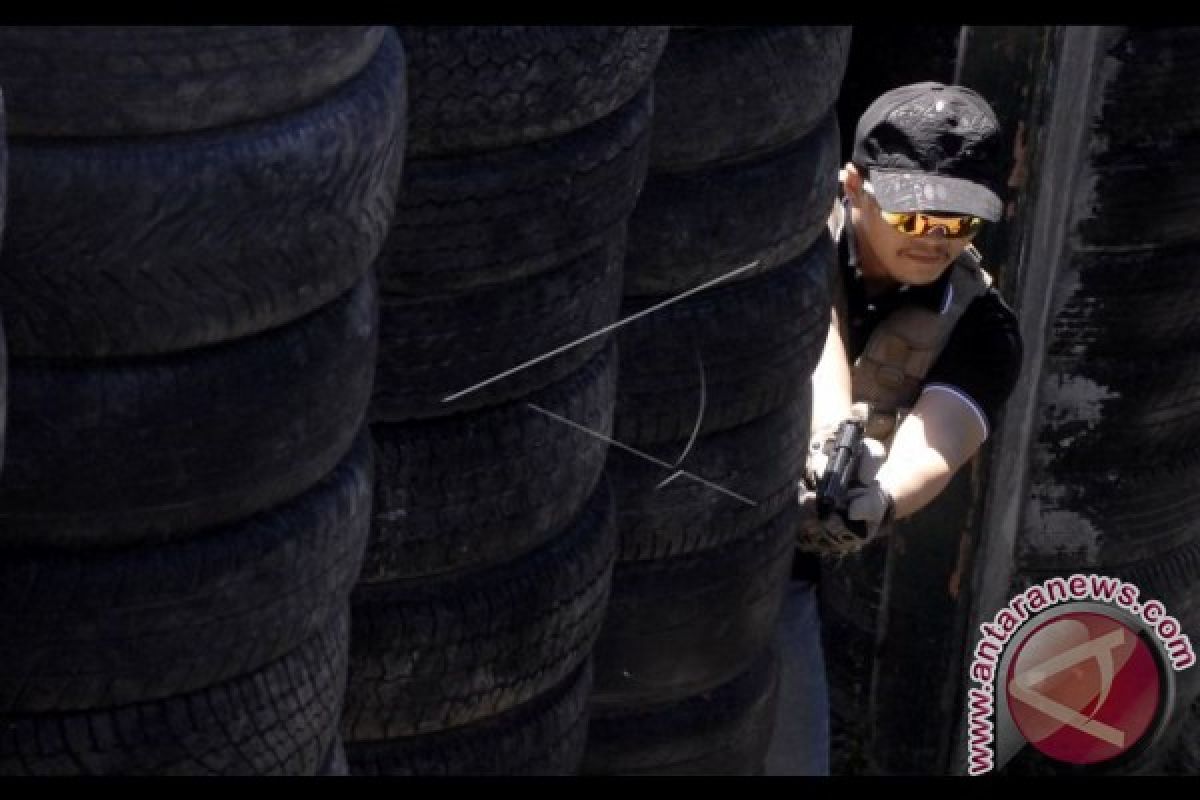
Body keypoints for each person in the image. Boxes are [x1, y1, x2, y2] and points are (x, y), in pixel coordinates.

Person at [766, 82, 1023, 775]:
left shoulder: (982, 326)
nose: (936, 238)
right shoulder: (785, 236)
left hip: (781, 572)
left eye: (960, 222)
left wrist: (873, 501)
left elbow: (941, 440)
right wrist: (827, 438)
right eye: (916, 216)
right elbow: (812, 326)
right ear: (853, 186)